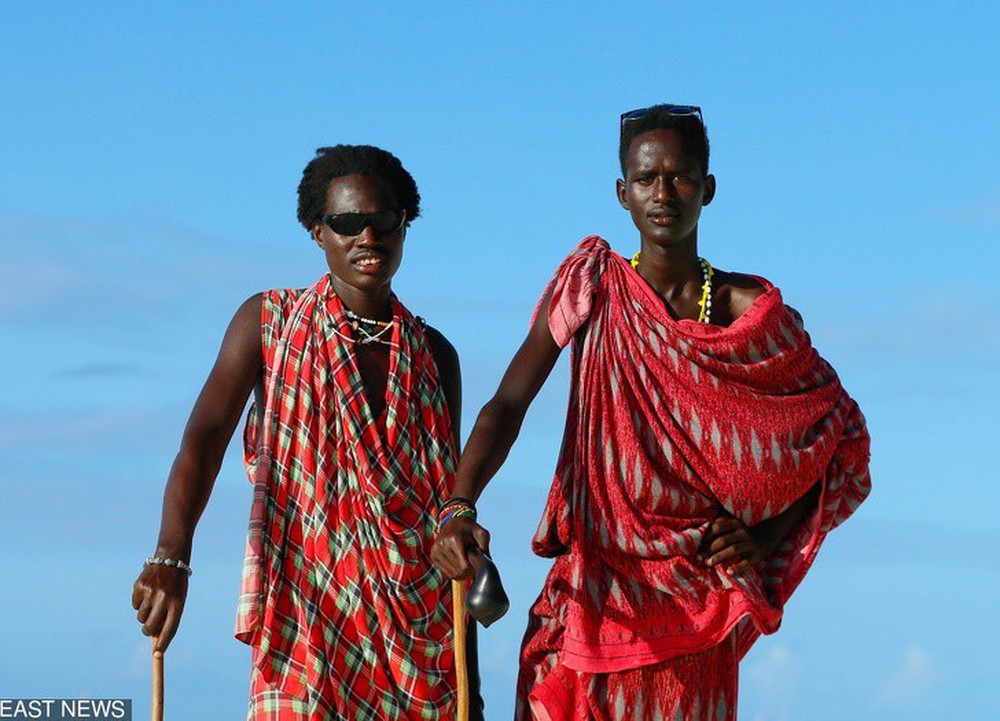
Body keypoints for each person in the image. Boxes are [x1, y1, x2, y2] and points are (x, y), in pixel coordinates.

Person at [432, 105, 871, 720]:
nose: (663, 194)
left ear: (707, 188)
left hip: (696, 606)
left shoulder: (751, 315)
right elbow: (508, 404)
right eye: (646, 179)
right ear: (623, 193)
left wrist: (765, 536)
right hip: (595, 587)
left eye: (680, 177)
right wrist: (459, 505)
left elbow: (838, 432)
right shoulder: (591, 286)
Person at [131, 145, 483, 720]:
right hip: (303, 623)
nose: (367, 237)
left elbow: (449, 518)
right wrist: (170, 558)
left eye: (384, 219)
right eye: (346, 222)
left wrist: (473, 684)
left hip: (420, 644)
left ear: (404, 225)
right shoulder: (268, 323)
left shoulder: (435, 356)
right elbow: (203, 441)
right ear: (317, 232)